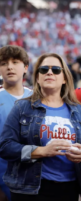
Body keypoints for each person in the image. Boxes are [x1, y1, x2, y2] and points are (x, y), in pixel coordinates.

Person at [0, 53, 81, 201]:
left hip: (69, 188)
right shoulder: (22, 107)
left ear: (64, 78)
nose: (50, 72)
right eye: (44, 69)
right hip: (30, 190)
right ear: (38, 77)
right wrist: (42, 151)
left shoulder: (78, 110)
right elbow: (5, 146)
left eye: (56, 70)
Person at [0, 46, 33, 201]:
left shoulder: (36, 98)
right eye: (4, 63)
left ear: (25, 67)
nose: (10, 67)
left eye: (15, 62)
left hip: (33, 175)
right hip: (3, 176)